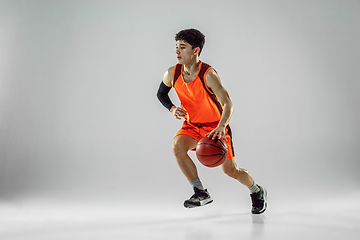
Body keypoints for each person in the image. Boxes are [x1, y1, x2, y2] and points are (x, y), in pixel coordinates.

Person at [156, 28, 267, 214]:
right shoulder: (171, 74)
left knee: (231, 171)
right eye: (176, 47)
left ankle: (257, 191)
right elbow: (161, 94)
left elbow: (228, 104)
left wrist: (222, 126)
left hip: (215, 128)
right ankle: (200, 191)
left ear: (195, 51)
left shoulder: (208, 75)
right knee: (177, 146)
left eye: (182, 47)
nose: (177, 51)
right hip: (191, 125)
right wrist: (173, 108)